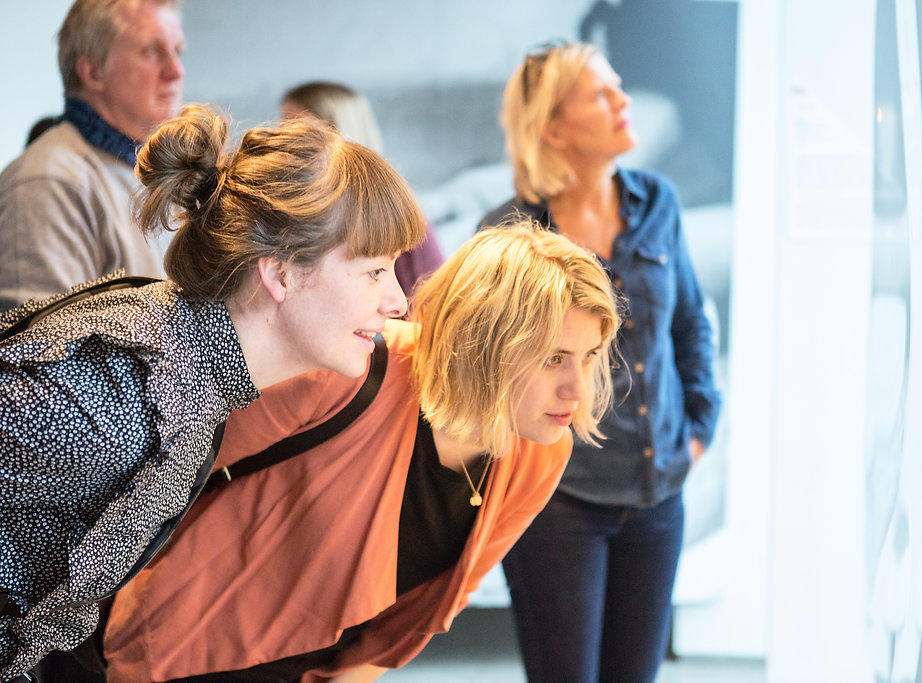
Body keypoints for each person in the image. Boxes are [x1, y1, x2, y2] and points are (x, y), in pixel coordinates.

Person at [0, 105, 424, 679]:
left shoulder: (192, 381)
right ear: (280, 274)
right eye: (373, 272)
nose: (397, 302)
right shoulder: (115, 400)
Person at [99, 225, 620, 683]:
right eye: (553, 359)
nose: (577, 389)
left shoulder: (540, 451)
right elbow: (163, 468)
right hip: (171, 652)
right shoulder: (351, 367)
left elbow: (439, 602)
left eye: (589, 357)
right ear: (488, 342)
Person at [479, 42, 722, 682]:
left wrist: (700, 428)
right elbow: (483, 373)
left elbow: (690, 323)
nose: (623, 101)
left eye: (618, 86)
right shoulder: (509, 234)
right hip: (555, 502)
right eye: (599, 93)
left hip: (657, 492)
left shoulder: (658, 202)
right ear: (553, 127)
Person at [0, 0, 189, 312]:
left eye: (178, 51)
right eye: (153, 51)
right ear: (93, 72)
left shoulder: (160, 176)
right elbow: (43, 342)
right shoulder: (47, 185)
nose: (176, 71)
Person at [281, 81, 445, 295]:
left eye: (303, 135)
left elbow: (429, 307)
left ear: (342, 133)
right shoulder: (287, 215)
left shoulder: (395, 218)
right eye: (284, 131)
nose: (287, 147)